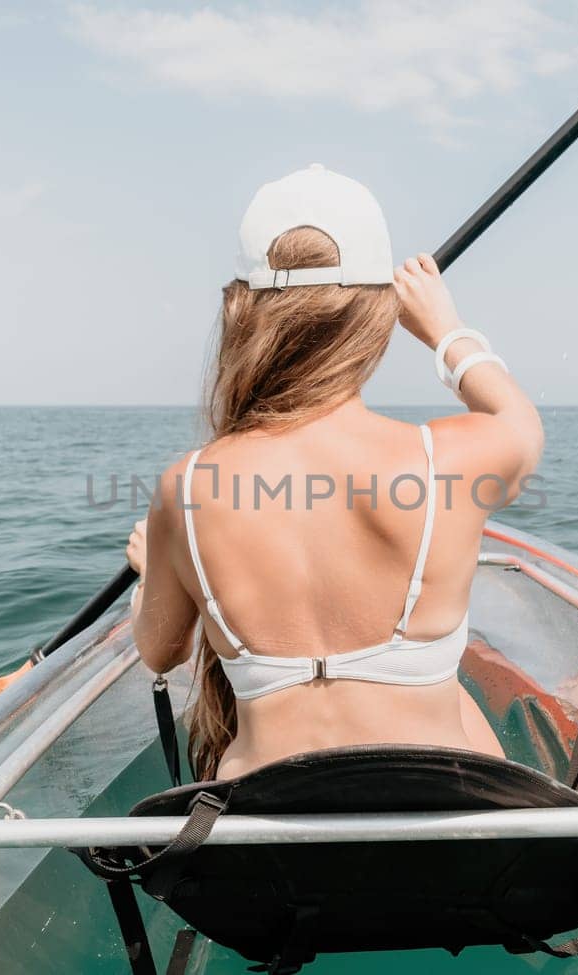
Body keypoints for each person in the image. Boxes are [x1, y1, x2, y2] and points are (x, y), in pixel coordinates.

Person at [124, 164, 544, 780]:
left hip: (267, 837)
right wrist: (446, 331)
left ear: (241, 313)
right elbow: (519, 424)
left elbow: (159, 653)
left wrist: (150, 573)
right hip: (442, 820)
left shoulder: (185, 489)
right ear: (377, 317)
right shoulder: (445, 464)